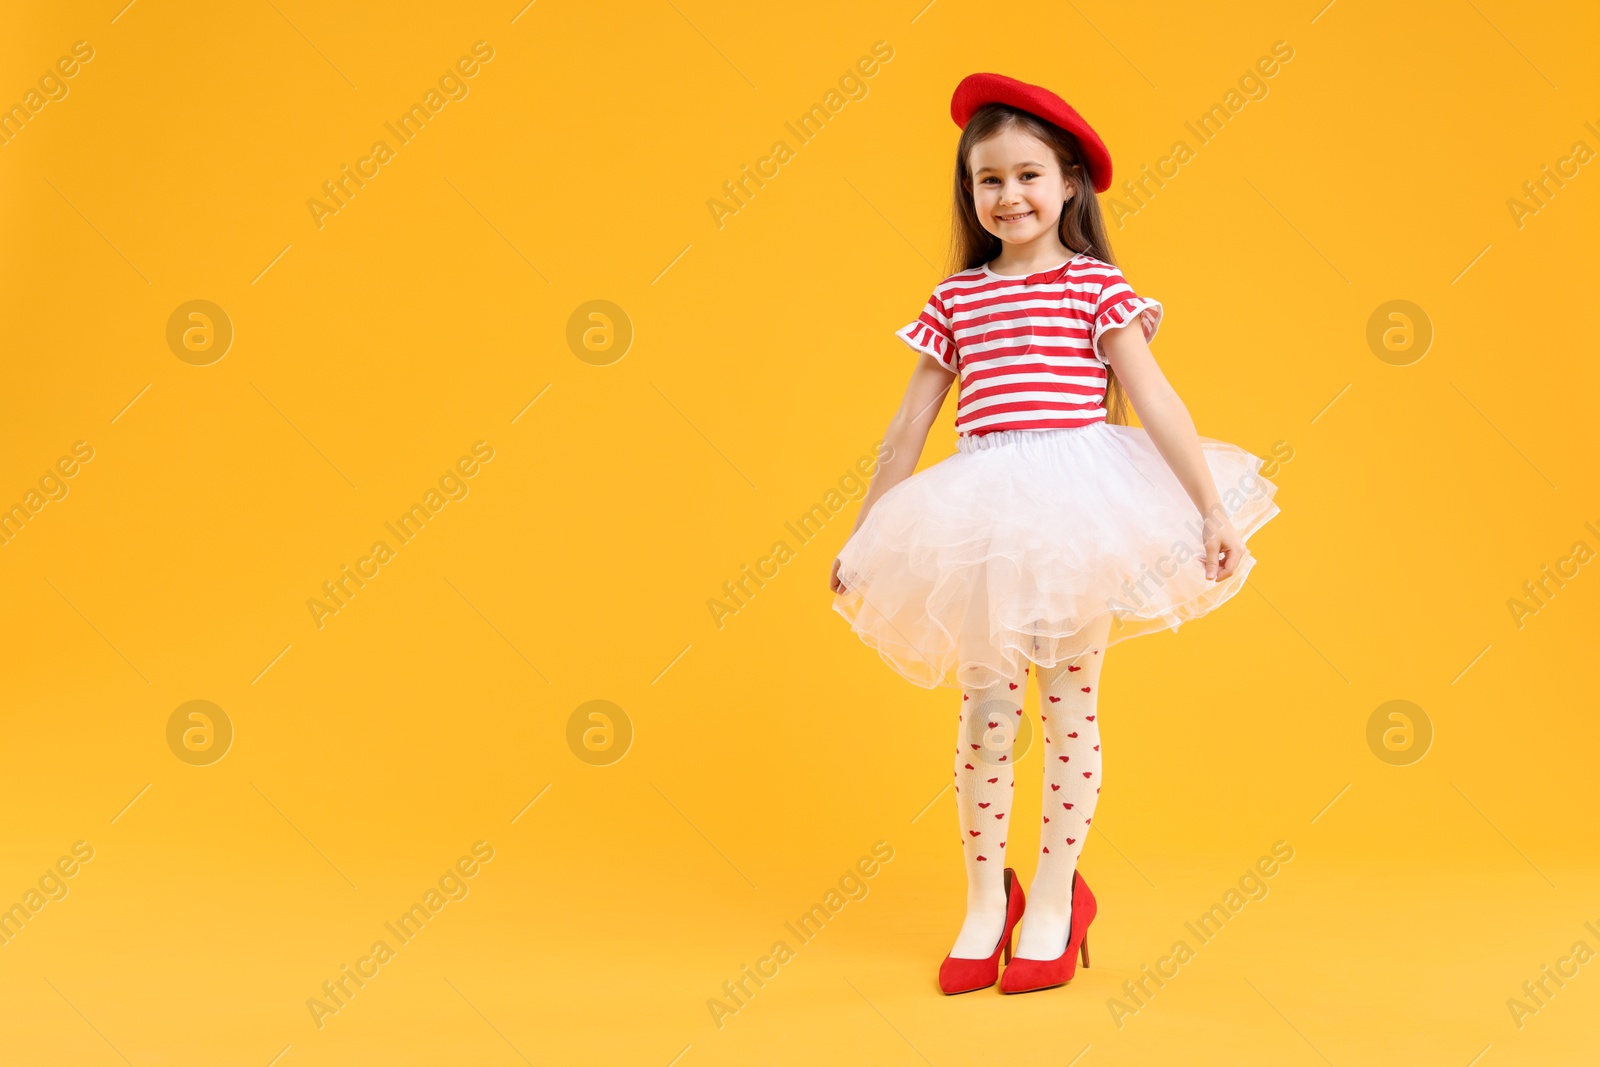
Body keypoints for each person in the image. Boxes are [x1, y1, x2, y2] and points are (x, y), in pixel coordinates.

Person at [828, 73, 1282, 995]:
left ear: (1070, 182)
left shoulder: (1095, 286)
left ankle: (1053, 898)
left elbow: (1153, 396)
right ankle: (984, 901)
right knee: (988, 713)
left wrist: (1211, 508)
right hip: (984, 521)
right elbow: (907, 427)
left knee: (1070, 707)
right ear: (971, 194)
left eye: (1029, 175)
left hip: (1077, 515)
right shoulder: (957, 298)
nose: (1010, 196)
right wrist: (865, 535)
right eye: (987, 181)